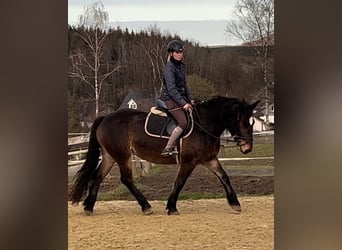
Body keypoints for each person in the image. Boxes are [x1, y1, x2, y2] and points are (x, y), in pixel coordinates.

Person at [160, 39, 195, 156]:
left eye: (181, 52)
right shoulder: (169, 68)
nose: (179, 54)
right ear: (171, 53)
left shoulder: (181, 66)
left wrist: (190, 99)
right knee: (183, 122)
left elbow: (185, 84)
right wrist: (183, 103)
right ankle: (168, 147)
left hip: (181, 98)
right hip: (171, 99)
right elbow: (171, 89)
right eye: (177, 52)